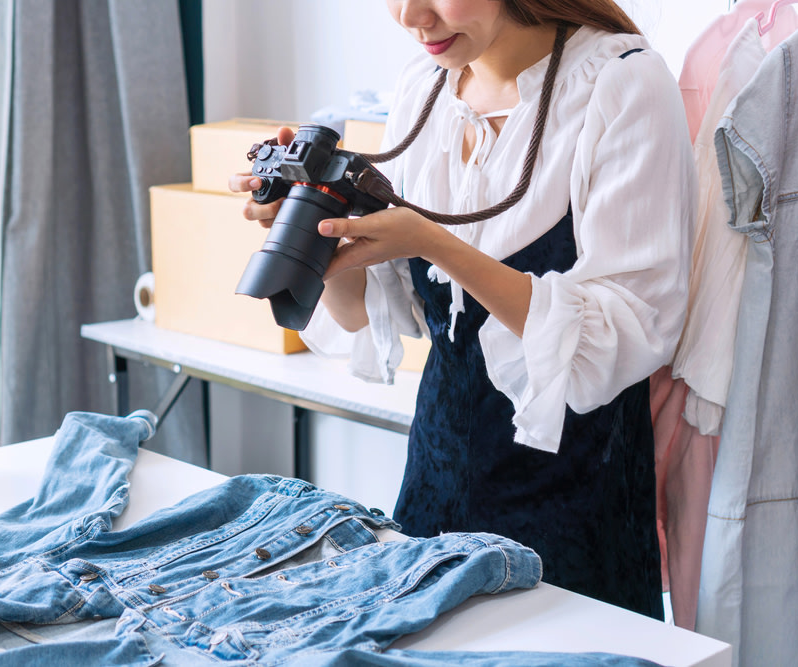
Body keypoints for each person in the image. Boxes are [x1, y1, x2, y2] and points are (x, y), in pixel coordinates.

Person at [229, 0, 695, 620]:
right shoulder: (424, 89)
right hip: (432, 491)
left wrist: (435, 244)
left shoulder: (622, 85)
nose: (410, 16)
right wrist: (317, 228)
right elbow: (365, 315)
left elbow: (621, 336)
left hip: (577, 511)